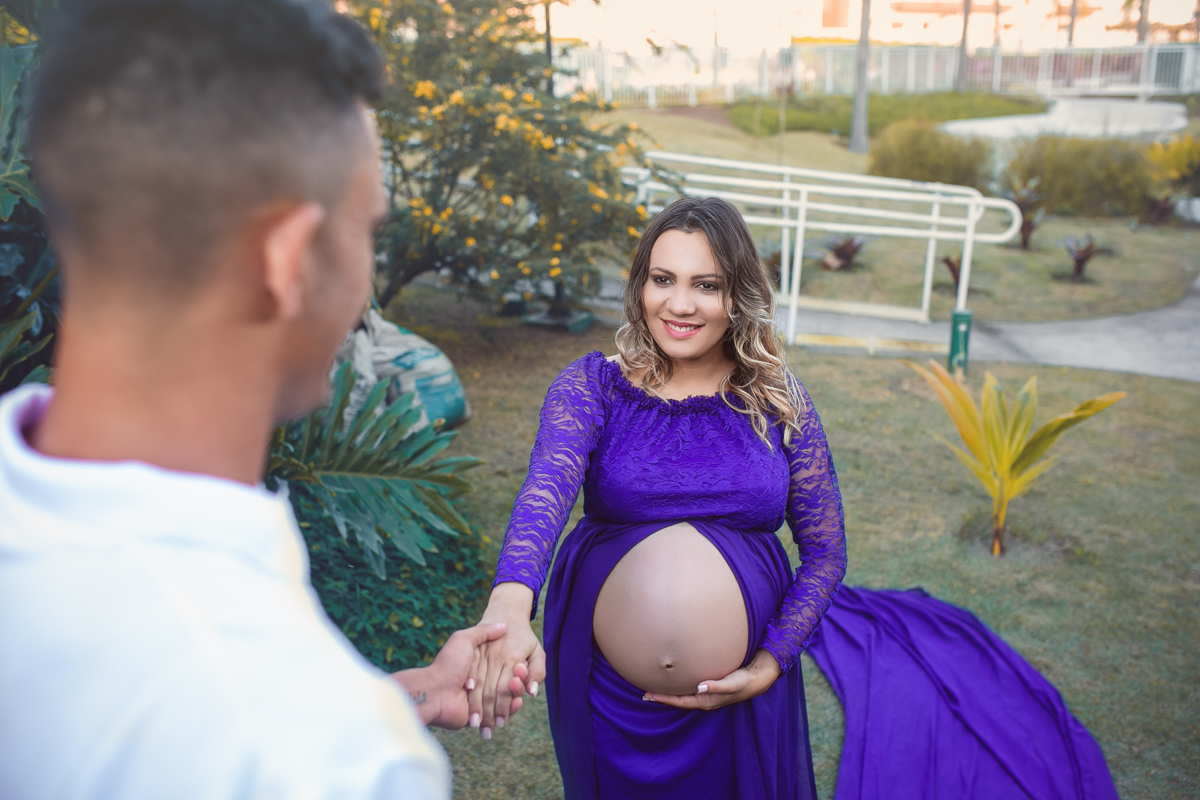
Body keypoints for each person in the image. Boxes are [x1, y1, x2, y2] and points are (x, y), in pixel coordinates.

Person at [0, 1, 525, 797]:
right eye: (363, 231)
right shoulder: (332, 760)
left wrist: (405, 695)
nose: (365, 278)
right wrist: (359, 724)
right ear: (283, 261)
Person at [470, 196, 849, 798]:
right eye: (663, 279)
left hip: (739, 699)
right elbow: (544, 497)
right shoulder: (593, 387)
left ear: (739, 295)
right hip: (610, 698)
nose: (679, 304)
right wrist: (510, 606)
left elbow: (826, 554)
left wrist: (770, 663)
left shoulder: (779, 399)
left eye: (707, 285)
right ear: (640, 284)